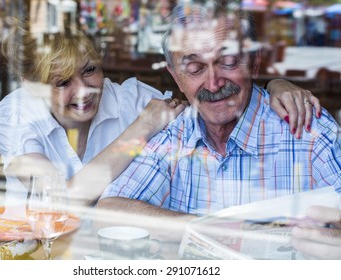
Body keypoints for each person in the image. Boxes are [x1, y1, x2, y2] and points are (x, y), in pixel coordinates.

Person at [0, 16, 317, 220]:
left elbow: (206, 101)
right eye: (62, 83)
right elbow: (58, 201)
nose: (83, 91)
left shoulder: (130, 97)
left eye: (89, 71)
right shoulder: (16, 113)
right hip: (31, 251)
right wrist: (141, 128)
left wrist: (275, 85)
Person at [96, 1, 341, 258]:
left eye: (228, 61)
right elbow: (108, 213)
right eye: (195, 68)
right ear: (177, 77)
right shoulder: (175, 132)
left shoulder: (308, 130)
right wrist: (212, 230)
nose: (213, 84)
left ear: (254, 62)